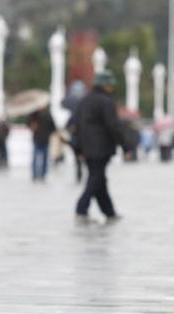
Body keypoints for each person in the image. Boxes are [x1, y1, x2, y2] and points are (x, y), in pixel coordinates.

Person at [74, 70, 126, 221]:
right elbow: (113, 126)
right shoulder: (106, 102)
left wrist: (78, 148)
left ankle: (109, 211)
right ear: (105, 85)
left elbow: (76, 126)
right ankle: (81, 207)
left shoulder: (83, 101)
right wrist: (126, 146)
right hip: (101, 148)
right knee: (96, 178)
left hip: (86, 147)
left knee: (99, 180)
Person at [27, 107, 55, 180]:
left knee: (44, 158)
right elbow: (28, 124)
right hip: (38, 139)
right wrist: (32, 126)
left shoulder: (47, 115)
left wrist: (48, 133)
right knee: (36, 157)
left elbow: (53, 127)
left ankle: (42, 174)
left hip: (44, 139)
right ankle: (35, 174)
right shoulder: (34, 114)